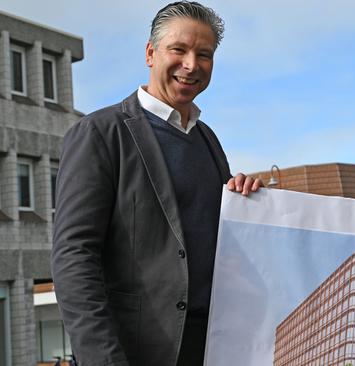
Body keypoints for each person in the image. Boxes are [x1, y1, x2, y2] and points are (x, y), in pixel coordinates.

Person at [51, 2, 262, 365]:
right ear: (151, 53)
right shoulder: (100, 133)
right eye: (179, 50)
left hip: (211, 347)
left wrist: (244, 199)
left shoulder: (208, 140)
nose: (192, 64)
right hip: (134, 352)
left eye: (204, 54)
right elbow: (74, 257)